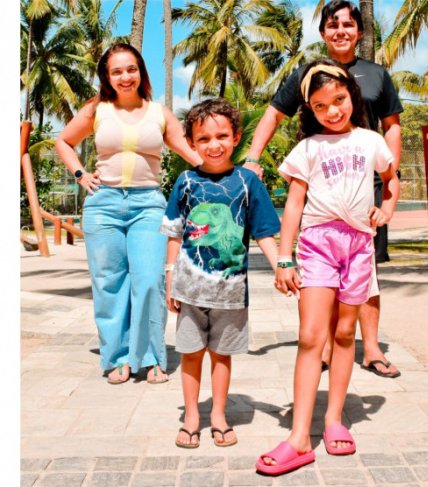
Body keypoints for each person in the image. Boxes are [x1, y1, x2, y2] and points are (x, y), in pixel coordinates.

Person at [256, 60, 400, 475]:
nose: (333, 111)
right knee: (309, 336)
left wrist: (387, 207)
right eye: (321, 106)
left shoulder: (371, 140)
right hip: (318, 244)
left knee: (343, 333)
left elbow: (391, 179)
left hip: (358, 246)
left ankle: (335, 419)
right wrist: (284, 258)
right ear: (310, 110)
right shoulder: (308, 148)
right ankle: (299, 437)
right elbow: (294, 205)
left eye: (339, 100)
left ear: (351, 97)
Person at [245, 0, 403, 378]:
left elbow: (392, 124)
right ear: (323, 33)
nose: (341, 31)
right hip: (322, 183)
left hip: (367, 183)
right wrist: (252, 157)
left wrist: (390, 172)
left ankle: (373, 348)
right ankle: (330, 347)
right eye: (333, 25)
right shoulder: (305, 73)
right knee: (326, 271)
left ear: (360, 32)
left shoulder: (377, 75)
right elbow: (273, 113)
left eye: (349, 25)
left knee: (368, 273)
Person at [55, 43, 204, 385]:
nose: (125, 76)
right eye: (117, 71)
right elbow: (63, 141)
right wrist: (80, 175)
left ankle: (151, 356)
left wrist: (219, 174)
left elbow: (185, 148)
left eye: (131, 69)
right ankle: (118, 357)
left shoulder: (159, 112)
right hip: (103, 204)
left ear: (141, 71)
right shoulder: (97, 108)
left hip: (148, 203)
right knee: (109, 283)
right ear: (107, 77)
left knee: (150, 281)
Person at [160, 99, 281, 449]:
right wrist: (170, 278)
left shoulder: (247, 181)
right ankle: (192, 417)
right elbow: (175, 233)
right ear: (192, 143)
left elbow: (263, 232)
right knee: (190, 353)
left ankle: (218, 415)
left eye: (222, 136)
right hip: (189, 290)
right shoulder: (185, 181)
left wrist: (281, 267)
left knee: (221, 355)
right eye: (204, 138)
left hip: (230, 293)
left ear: (236, 137)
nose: (214, 145)